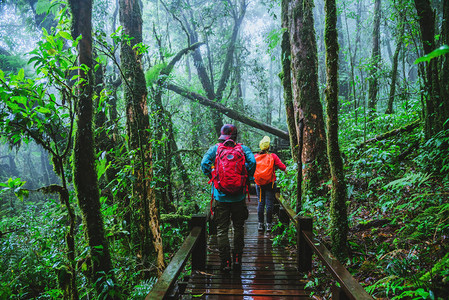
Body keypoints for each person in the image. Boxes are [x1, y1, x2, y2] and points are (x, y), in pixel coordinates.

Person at [201, 124, 256, 272]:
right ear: (235, 136)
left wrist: (214, 177)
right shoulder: (243, 149)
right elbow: (253, 162)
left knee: (221, 230)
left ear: (222, 137)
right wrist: (247, 178)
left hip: (220, 196)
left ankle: (225, 262)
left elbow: (204, 164)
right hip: (238, 197)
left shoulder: (216, 149)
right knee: (238, 228)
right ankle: (237, 259)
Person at [254, 136, 286, 232]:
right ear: (269, 147)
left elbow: (250, 167)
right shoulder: (273, 156)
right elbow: (282, 166)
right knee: (269, 204)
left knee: (260, 203)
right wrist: (286, 170)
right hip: (270, 183)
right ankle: (268, 224)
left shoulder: (255, 157)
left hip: (259, 183)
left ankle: (260, 224)